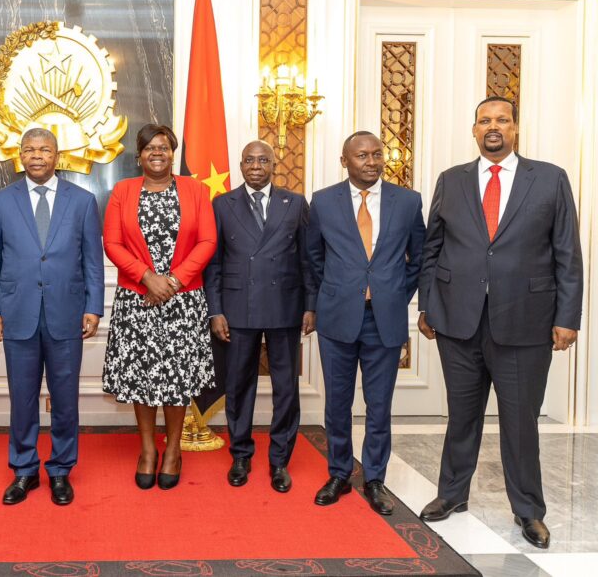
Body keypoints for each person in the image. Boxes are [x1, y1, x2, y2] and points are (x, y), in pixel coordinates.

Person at [416, 96, 583, 549]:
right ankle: (452, 495)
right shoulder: (451, 181)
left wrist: (569, 317)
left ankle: (529, 510)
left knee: (519, 422)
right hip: (457, 321)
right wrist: (426, 305)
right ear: (474, 130)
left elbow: (567, 252)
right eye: (485, 121)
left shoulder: (548, 178)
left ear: (515, 128)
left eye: (502, 120)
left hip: (526, 323)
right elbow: (432, 249)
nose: (494, 127)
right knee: (461, 417)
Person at [0, 127, 104, 506]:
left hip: (67, 313)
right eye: (29, 149)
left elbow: (92, 262)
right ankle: (24, 470)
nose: (36, 156)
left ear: (56, 156)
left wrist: (94, 306)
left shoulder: (82, 201)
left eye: (44, 150)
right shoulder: (1, 202)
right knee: (22, 397)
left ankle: (61, 470)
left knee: (65, 399)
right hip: (17, 314)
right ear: (20, 154)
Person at [307, 131, 424, 515]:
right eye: (362, 155)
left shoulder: (407, 202)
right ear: (345, 161)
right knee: (337, 404)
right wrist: (338, 293)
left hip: (384, 321)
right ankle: (339, 473)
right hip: (337, 319)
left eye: (377, 154)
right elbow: (313, 259)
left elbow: (419, 259)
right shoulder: (323, 202)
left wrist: (392, 294)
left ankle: (375, 479)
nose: (372, 161)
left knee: (379, 405)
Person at [102, 124, 216, 491]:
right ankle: (148, 450)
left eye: (164, 147)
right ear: (139, 155)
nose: (157, 153)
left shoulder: (196, 191)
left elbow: (208, 241)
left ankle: (173, 452)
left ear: (173, 153)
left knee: (176, 378)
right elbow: (113, 243)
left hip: (183, 301)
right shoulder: (122, 191)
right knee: (141, 377)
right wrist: (147, 278)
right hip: (137, 300)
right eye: (150, 147)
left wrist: (173, 281)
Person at [204, 140, 316, 491]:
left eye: (263, 160)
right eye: (249, 160)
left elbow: (308, 259)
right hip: (237, 309)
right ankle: (241, 454)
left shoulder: (295, 203)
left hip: (285, 307)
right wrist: (215, 310)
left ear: (273, 165)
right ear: (240, 165)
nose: (256, 165)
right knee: (238, 386)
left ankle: (280, 459)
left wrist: (311, 305)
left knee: (286, 389)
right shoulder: (222, 204)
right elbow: (214, 264)